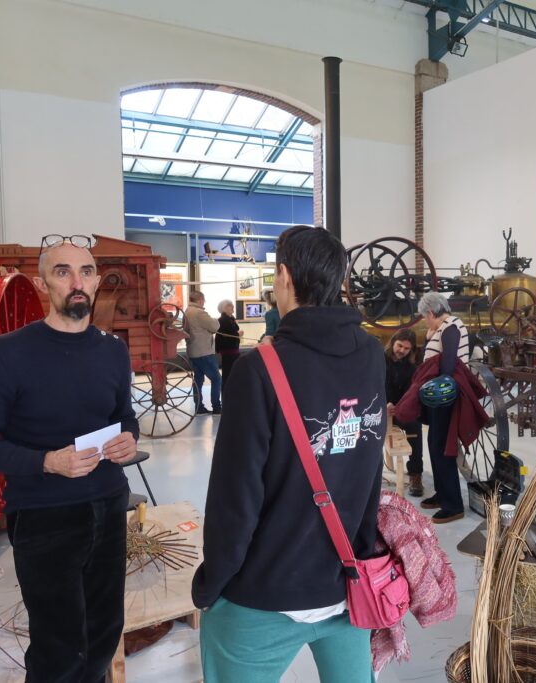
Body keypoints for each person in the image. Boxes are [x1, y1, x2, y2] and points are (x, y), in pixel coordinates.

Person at [192, 225, 386, 683]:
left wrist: (213, 581)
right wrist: (361, 553)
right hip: (348, 583)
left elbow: (234, 498)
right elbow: (369, 470)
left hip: (265, 592)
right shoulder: (371, 354)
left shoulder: (258, 368)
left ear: (283, 276)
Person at [0, 234, 140, 683]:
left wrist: (129, 441)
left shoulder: (112, 350)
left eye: (86, 272)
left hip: (109, 503)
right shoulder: (7, 355)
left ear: (97, 283)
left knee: (103, 630)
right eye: (62, 272)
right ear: (44, 286)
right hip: (44, 515)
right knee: (59, 642)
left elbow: (125, 417)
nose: (76, 282)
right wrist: (47, 463)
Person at [416, 292, 469, 523]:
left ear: (430, 313)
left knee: (442, 447)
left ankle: (453, 505)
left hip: (445, 396)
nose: (425, 322)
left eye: (425, 318)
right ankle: (442, 493)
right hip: (440, 396)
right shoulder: (444, 327)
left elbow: (448, 365)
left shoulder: (451, 328)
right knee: (434, 444)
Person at [384, 328, 425, 497]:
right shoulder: (379, 359)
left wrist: (401, 407)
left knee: (415, 425)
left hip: (399, 410)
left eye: (407, 348)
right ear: (393, 342)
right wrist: (383, 404)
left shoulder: (411, 368)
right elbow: (370, 384)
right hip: (378, 408)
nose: (402, 350)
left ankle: (416, 474)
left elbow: (410, 393)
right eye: (400, 345)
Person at [184, 290, 222, 415]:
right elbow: (214, 327)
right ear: (200, 300)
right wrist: (216, 320)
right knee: (217, 379)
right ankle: (217, 407)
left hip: (193, 352)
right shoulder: (200, 313)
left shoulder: (187, 311)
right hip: (204, 352)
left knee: (198, 380)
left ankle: (199, 407)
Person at [215, 299, 241, 389]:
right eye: (230, 305)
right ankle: (227, 390)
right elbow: (227, 335)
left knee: (233, 370)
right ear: (224, 308)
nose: (233, 307)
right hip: (228, 350)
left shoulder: (231, 318)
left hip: (233, 349)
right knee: (228, 371)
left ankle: (232, 388)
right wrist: (238, 334)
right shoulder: (223, 320)